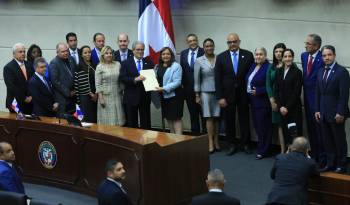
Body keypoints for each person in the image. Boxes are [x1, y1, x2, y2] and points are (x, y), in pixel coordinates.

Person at [214, 33, 254, 155]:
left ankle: (246, 143)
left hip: (243, 94)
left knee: (244, 119)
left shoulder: (248, 55)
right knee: (229, 120)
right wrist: (220, 97)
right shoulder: (221, 57)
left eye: (234, 41)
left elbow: (252, 74)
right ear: (227, 43)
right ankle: (231, 144)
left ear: (239, 42)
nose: (232, 44)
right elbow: (217, 78)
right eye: (229, 42)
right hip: (227, 95)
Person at [315, 45, 350, 173]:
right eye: (324, 56)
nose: (327, 58)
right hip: (323, 112)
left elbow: (344, 95)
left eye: (329, 55)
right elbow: (318, 92)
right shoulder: (320, 71)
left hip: (337, 113)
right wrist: (317, 110)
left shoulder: (342, 72)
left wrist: (340, 112)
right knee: (327, 140)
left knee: (339, 140)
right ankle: (330, 163)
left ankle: (341, 164)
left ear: (334, 55)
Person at [266, 137, 319, 205]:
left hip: (274, 199)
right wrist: (309, 159)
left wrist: (285, 155)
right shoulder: (310, 162)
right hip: (295, 201)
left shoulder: (280, 158)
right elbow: (316, 175)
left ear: (291, 147)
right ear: (307, 150)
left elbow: (272, 176)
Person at [301, 34, 325, 164]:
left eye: (308, 44)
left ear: (316, 46)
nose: (305, 45)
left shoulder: (322, 59)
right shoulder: (304, 56)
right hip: (306, 99)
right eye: (306, 43)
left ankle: (322, 158)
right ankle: (314, 155)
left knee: (320, 131)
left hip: (318, 101)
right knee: (310, 129)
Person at [194, 38, 220, 153]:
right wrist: (197, 94)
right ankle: (210, 142)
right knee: (209, 117)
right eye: (207, 46)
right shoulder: (199, 60)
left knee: (217, 117)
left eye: (211, 46)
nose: (209, 48)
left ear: (214, 46)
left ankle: (216, 141)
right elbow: (196, 79)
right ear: (203, 48)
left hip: (218, 92)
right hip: (205, 92)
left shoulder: (219, 58)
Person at [119, 41, 154, 129]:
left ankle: (147, 141)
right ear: (133, 50)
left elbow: (152, 78)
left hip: (145, 97)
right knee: (132, 124)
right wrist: (135, 79)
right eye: (138, 49)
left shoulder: (149, 62)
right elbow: (122, 78)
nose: (140, 51)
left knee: (146, 123)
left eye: (142, 49)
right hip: (131, 97)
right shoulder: (125, 63)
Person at [246, 47, 271, 160]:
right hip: (253, 102)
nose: (258, 56)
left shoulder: (268, 67)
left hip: (263, 102)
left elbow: (273, 86)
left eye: (261, 54)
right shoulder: (253, 65)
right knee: (257, 126)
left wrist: (260, 91)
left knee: (263, 127)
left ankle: (263, 150)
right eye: (256, 54)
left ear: (265, 55)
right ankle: (261, 147)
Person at [275, 48, 303, 148]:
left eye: (290, 56)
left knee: (294, 134)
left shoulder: (298, 72)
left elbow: (297, 92)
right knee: (286, 132)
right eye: (285, 56)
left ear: (293, 57)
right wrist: (280, 106)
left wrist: (287, 107)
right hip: (282, 109)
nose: (288, 58)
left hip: (293, 108)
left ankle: (296, 155)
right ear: (282, 58)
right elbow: (276, 91)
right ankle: (288, 153)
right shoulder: (278, 71)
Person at [180, 34, 205, 135]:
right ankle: (195, 136)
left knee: (204, 114)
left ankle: (205, 136)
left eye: (194, 40)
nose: (192, 42)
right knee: (193, 114)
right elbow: (183, 70)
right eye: (190, 41)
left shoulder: (204, 51)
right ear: (187, 42)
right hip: (188, 90)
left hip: (203, 89)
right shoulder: (183, 53)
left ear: (197, 40)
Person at [155, 47, 184, 134]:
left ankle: (179, 141)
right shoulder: (157, 66)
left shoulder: (176, 66)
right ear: (161, 56)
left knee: (176, 118)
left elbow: (177, 82)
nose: (165, 56)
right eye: (163, 54)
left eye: (168, 54)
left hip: (175, 97)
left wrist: (163, 88)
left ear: (171, 55)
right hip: (164, 97)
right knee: (168, 118)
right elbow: (155, 79)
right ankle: (172, 139)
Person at [95, 46, 125, 126]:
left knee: (118, 119)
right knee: (107, 120)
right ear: (103, 55)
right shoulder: (99, 66)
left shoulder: (117, 64)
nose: (109, 55)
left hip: (117, 95)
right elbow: (98, 84)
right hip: (105, 96)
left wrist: (123, 91)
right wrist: (101, 98)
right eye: (106, 53)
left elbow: (121, 79)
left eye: (110, 53)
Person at [266, 43, 286, 153]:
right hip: (275, 100)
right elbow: (268, 84)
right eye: (276, 51)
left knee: (288, 126)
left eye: (281, 51)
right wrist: (272, 100)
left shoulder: (290, 64)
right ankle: (282, 151)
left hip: (287, 101)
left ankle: (291, 151)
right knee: (279, 126)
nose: (278, 53)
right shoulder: (271, 66)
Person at [3, 43, 34, 114]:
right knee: (18, 123)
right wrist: (24, 98)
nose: (23, 54)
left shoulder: (29, 64)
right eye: (20, 52)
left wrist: (31, 96)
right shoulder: (8, 67)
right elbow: (11, 86)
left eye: (24, 52)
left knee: (28, 123)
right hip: (15, 102)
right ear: (14, 54)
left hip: (30, 102)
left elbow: (33, 82)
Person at [49, 43, 77, 116]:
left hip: (74, 96)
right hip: (62, 98)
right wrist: (68, 92)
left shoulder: (71, 59)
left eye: (67, 51)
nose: (66, 53)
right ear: (57, 52)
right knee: (64, 121)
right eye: (63, 51)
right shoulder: (54, 63)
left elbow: (75, 75)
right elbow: (55, 81)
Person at [74, 45, 97, 123]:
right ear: (81, 55)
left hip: (95, 96)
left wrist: (96, 94)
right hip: (85, 97)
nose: (88, 54)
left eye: (89, 52)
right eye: (85, 53)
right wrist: (91, 94)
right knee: (86, 120)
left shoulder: (93, 65)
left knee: (94, 119)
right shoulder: (79, 66)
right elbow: (81, 83)